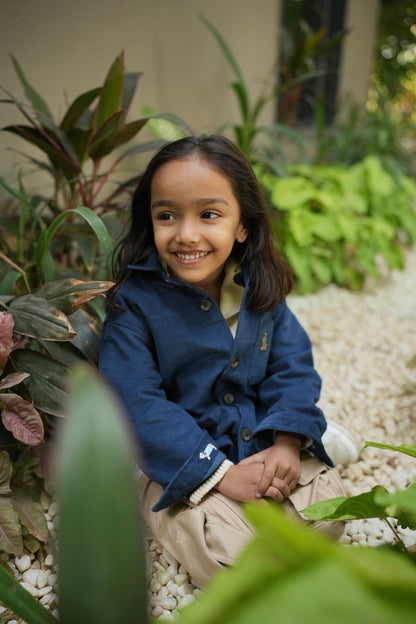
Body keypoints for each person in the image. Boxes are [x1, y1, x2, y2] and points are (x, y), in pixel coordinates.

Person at [99, 134, 357, 588]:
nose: (186, 234)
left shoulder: (260, 288)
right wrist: (219, 475)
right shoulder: (133, 306)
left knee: (328, 518)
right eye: (166, 215)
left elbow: (292, 365)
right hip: (178, 459)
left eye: (209, 214)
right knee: (232, 561)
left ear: (242, 225)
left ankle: (311, 436)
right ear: (150, 221)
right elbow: (138, 403)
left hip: (256, 435)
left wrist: (285, 444)